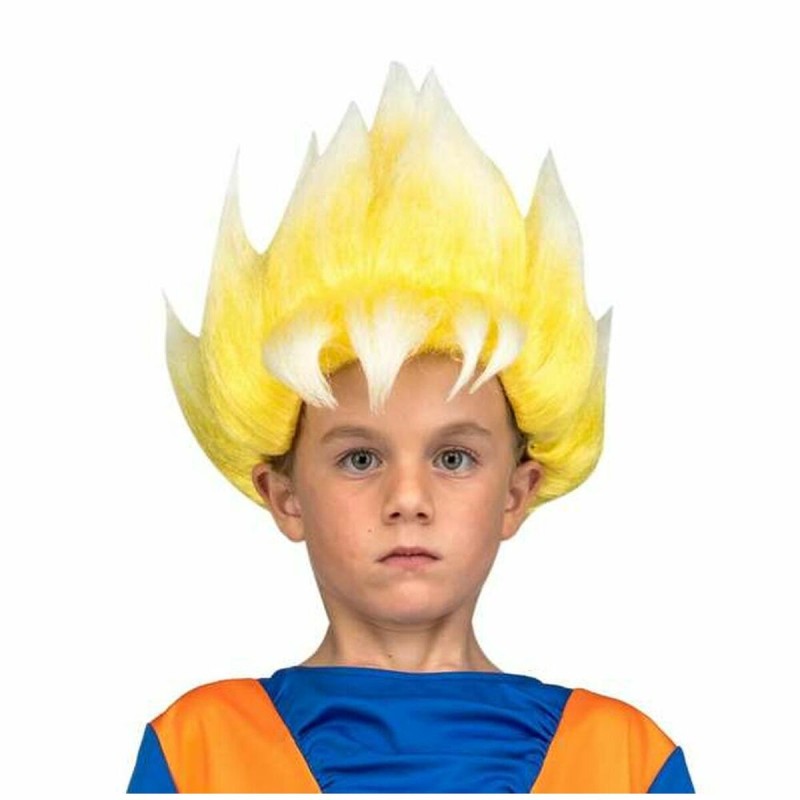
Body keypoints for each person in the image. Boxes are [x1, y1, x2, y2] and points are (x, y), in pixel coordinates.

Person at [127, 62, 695, 793]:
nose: (408, 499)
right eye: (360, 459)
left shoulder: (625, 763)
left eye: (453, 458)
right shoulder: (198, 753)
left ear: (516, 493)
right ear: (285, 495)